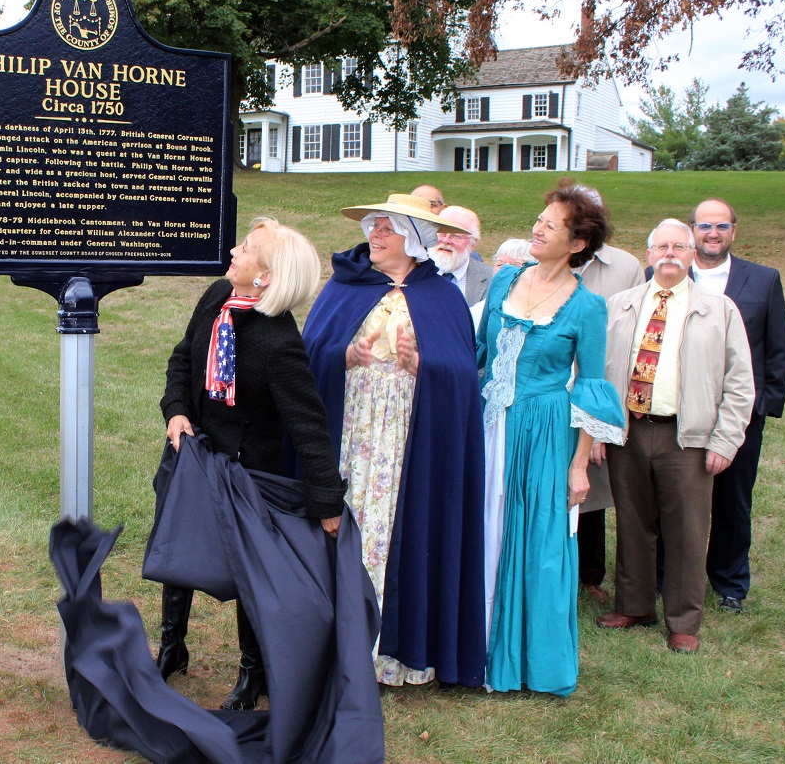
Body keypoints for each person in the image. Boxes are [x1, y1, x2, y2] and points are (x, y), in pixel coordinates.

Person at [158, 217, 344, 709]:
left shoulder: (280, 344)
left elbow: (308, 424)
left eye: (246, 248)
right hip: (191, 455)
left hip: (248, 473)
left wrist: (327, 500)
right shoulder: (218, 295)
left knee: (248, 572)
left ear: (265, 276)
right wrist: (177, 412)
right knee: (178, 548)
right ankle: (172, 647)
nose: (235, 251)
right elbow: (182, 359)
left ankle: (252, 672)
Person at [302, 194, 487, 687]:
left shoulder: (442, 297)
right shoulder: (344, 287)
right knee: (347, 524)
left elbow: (464, 378)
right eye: (372, 227)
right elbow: (307, 356)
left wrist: (423, 366)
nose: (375, 236)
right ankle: (334, 644)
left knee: (400, 532)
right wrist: (343, 356)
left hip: (410, 439)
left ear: (414, 239)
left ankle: (391, 650)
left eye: (386, 228)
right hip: (353, 433)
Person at [478, 182, 624, 696]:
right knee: (483, 527)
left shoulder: (587, 307)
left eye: (552, 225)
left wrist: (580, 464)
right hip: (487, 423)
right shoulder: (503, 282)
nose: (537, 228)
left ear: (578, 243)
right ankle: (472, 646)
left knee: (538, 541)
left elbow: (590, 388)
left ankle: (529, 660)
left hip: (544, 432)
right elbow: (477, 354)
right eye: (538, 219)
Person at [595, 219, 754, 653]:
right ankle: (635, 604)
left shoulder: (719, 309)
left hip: (687, 437)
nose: (669, 253)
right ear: (648, 255)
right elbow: (598, 371)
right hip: (628, 431)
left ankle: (684, 620)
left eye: (678, 246)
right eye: (661, 246)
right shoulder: (620, 305)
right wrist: (596, 432)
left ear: (691, 255)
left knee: (685, 530)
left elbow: (740, 381)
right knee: (632, 522)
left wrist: (724, 440)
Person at [688, 198, 785, 614]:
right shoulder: (668, 273)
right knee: (675, 498)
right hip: (681, 410)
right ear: (691, 229)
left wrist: (764, 406)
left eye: (721, 226)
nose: (712, 233)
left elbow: (779, 348)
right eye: (704, 226)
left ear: (734, 230)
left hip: (740, 413)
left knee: (733, 500)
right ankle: (666, 575)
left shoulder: (763, 280)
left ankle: (729, 581)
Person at [574, 238, 645, 605]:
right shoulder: (542, 259)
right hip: (550, 388)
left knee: (593, 484)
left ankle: (590, 573)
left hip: (596, 384)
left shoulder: (624, 264)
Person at [431, 205, 494, 305]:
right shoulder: (411, 270)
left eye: (455, 236)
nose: (446, 240)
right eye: (441, 233)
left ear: (473, 243)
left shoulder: (490, 279)